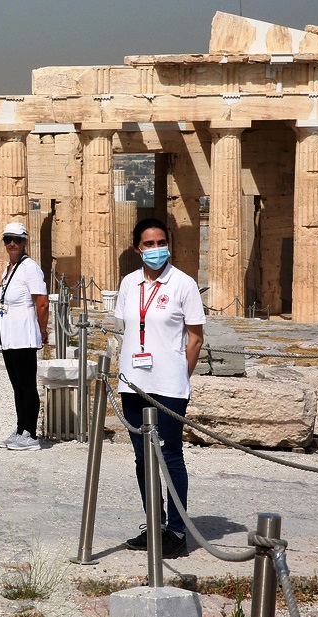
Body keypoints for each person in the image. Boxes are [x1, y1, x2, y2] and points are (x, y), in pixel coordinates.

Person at [114, 217, 205, 559]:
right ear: (138, 248)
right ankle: (155, 525)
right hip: (133, 382)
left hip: (169, 385)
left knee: (169, 456)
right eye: (148, 244)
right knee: (142, 459)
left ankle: (178, 531)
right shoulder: (129, 283)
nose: (156, 249)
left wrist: (181, 374)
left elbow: (195, 338)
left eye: (160, 242)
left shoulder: (183, 284)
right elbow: (129, 326)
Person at [0, 221, 49, 452]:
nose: (12, 243)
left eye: (17, 239)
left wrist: (43, 330)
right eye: (8, 239)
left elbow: (42, 302)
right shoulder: (9, 268)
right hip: (9, 337)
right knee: (17, 386)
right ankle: (20, 429)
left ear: (25, 242)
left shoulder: (30, 267)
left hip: (24, 335)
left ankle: (31, 434)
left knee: (27, 386)